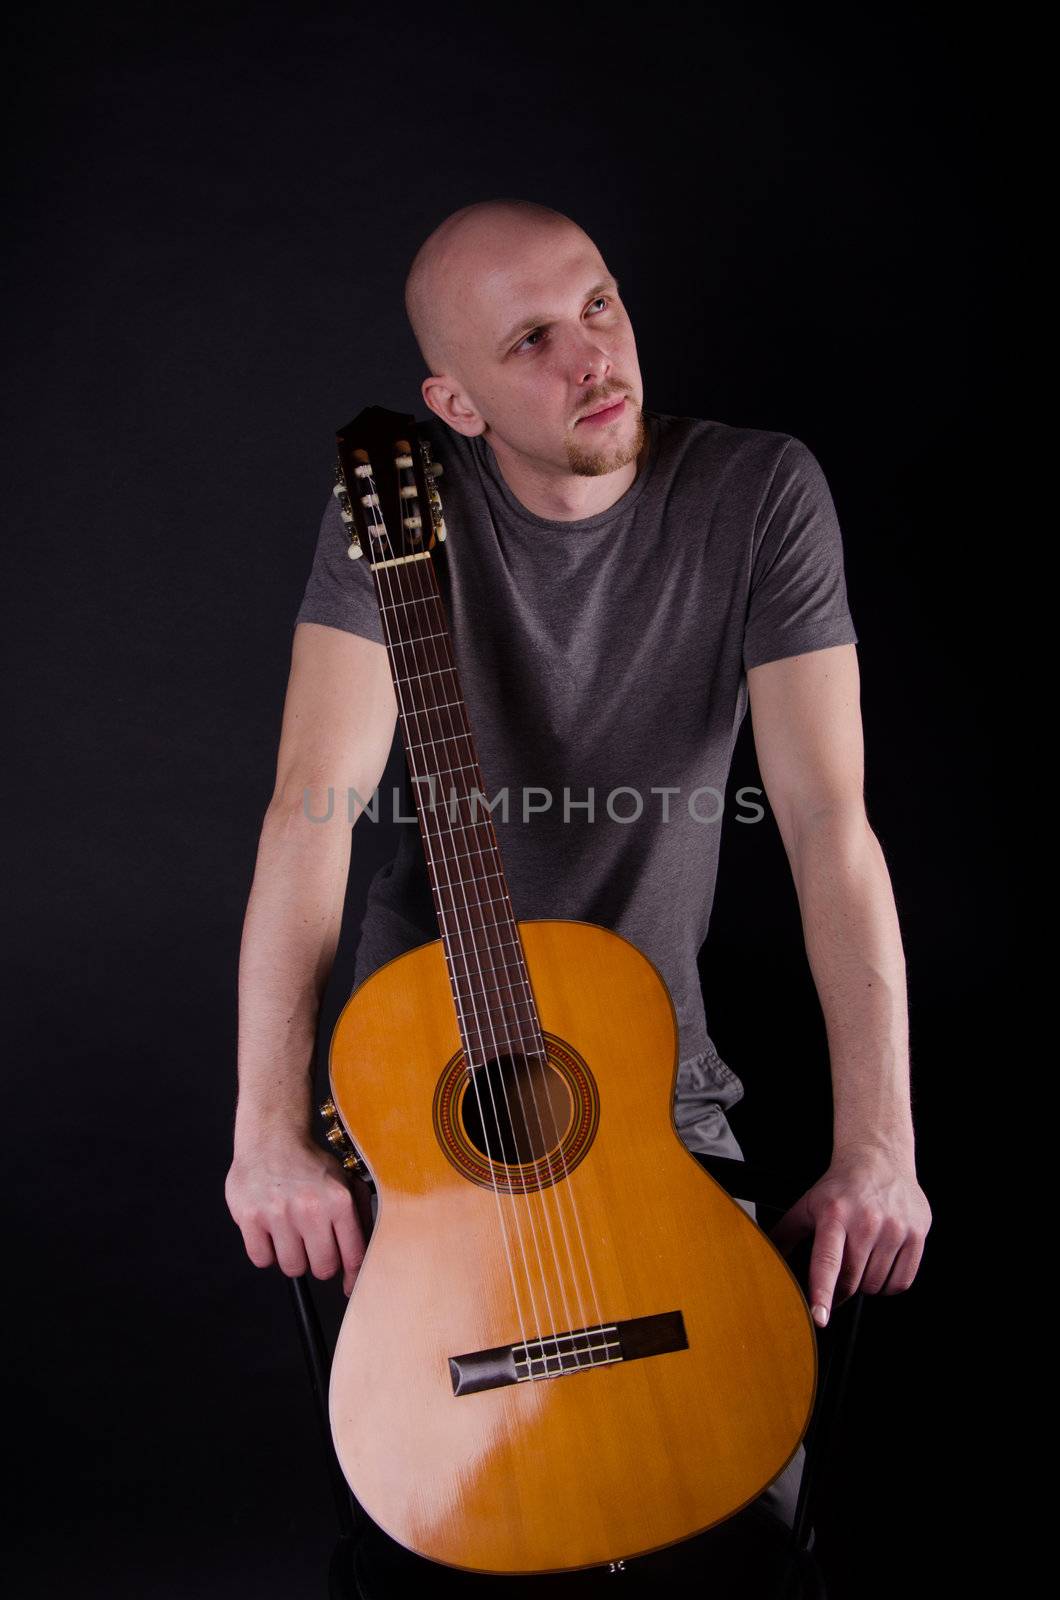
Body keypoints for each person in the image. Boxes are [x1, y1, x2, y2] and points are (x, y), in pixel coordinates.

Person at [225, 198, 932, 1534]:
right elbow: (307, 818)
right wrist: (270, 1132)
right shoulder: (398, 509)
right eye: (532, 340)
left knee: (734, 1496)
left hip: (653, 1072)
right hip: (430, 1093)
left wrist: (878, 1147)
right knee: (450, 1519)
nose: (593, 358)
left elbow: (832, 825)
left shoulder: (756, 491)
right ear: (459, 401)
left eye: (598, 304)